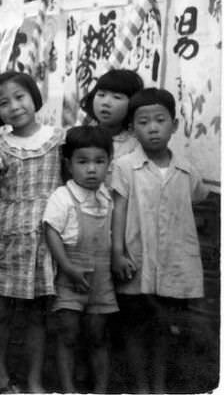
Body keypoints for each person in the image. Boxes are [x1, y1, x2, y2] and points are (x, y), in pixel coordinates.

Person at [111, 88, 208, 394]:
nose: (152, 128)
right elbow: (118, 212)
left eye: (160, 120)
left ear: (174, 125)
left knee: (165, 327)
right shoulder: (125, 167)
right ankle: (141, 387)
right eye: (143, 122)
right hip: (136, 262)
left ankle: (159, 385)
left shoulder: (187, 171)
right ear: (132, 128)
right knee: (136, 327)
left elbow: (196, 198)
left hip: (174, 264)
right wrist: (117, 253)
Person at [0, 71, 63, 393]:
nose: (14, 106)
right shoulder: (0, 147)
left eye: (20, 97)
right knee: (0, 313)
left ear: (34, 97)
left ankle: (35, 381)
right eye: (3, 103)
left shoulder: (58, 139)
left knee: (38, 315)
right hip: (7, 238)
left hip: (45, 239)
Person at [43, 126, 117, 392]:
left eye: (99, 161)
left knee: (98, 334)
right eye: (82, 162)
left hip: (102, 277)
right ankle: (68, 389)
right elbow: (51, 231)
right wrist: (67, 266)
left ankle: (100, 389)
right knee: (68, 333)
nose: (91, 169)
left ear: (109, 162)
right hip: (70, 275)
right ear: (68, 164)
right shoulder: (63, 196)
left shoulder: (107, 197)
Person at [81, 69, 144, 180]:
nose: (106, 102)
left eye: (117, 97)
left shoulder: (137, 146)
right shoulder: (80, 137)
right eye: (101, 94)